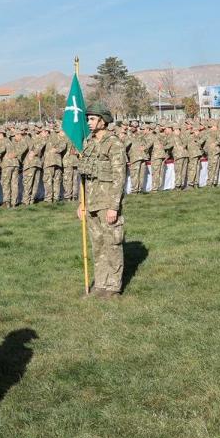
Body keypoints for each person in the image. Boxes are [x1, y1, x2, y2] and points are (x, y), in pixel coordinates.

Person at [77, 103, 127, 297]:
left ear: (103, 121)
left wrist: (114, 207)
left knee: (112, 244)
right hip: (91, 202)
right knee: (97, 244)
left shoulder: (113, 144)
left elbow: (119, 177)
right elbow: (84, 176)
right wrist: (81, 203)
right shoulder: (88, 143)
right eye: (87, 118)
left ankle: (114, 286)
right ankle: (101, 283)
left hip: (107, 202)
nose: (88, 122)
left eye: (92, 118)